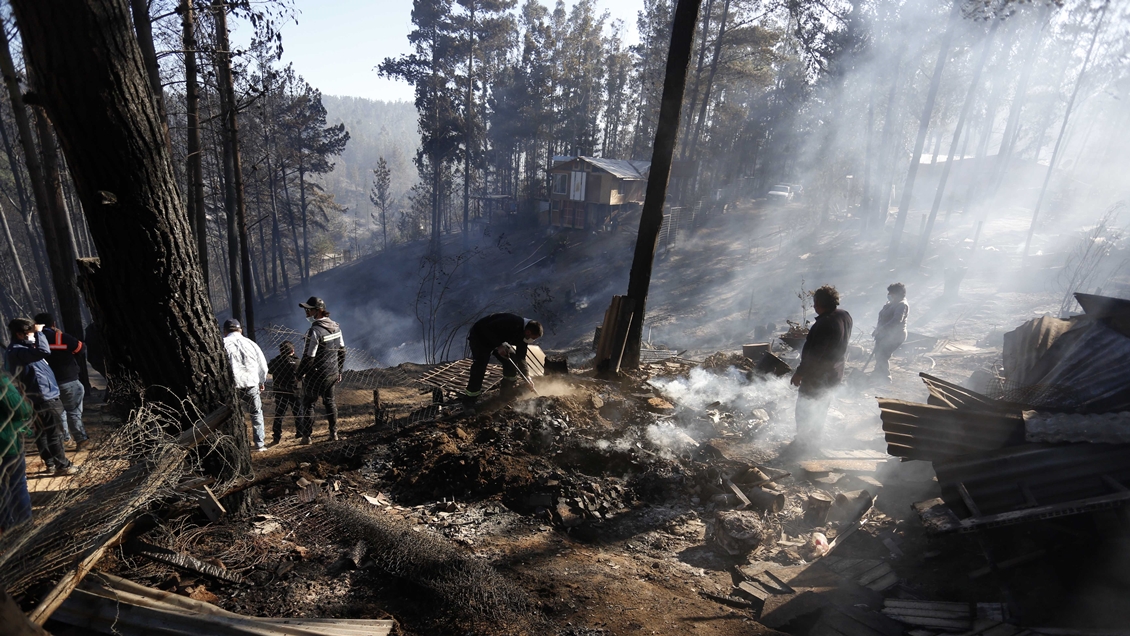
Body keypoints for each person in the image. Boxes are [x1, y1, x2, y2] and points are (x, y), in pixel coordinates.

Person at [6, 318, 76, 475]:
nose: (33, 335)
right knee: (54, 432)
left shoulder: (21, 348)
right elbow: (44, 351)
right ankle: (63, 465)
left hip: (39, 395)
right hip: (44, 396)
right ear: (19, 334)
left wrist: (35, 335)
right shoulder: (19, 351)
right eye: (29, 332)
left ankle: (51, 463)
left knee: (43, 432)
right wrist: (38, 333)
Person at [790, 286, 853, 445]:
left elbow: (814, 356)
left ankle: (802, 441)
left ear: (818, 302)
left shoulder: (824, 324)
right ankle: (814, 439)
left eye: (814, 302)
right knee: (821, 406)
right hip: (835, 373)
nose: (813, 305)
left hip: (818, 376)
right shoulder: (844, 315)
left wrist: (799, 373)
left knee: (805, 407)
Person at [462, 313, 543, 408]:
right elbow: (486, 329)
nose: (532, 340)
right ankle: (470, 400)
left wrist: (527, 376)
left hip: (498, 341)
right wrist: (499, 345)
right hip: (480, 337)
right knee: (480, 366)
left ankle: (506, 393)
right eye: (533, 338)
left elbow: (521, 357)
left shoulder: (524, 336)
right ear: (528, 332)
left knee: (511, 360)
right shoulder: (512, 322)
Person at [33, 313, 88, 450]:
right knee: (73, 412)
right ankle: (80, 439)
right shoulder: (61, 337)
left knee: (59, 414)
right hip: (69, 381)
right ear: (53, 324)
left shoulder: (33, 341)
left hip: (47, 385)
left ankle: (65, 439)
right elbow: (81, 348)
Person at [297, 297, 345, 444]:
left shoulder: (314, 331)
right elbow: (342, 351)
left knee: (308, 403)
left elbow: (309, 357)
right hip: (331, 373)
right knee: (330, 402)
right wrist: (339, 370)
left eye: (309, 309)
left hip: (316, 374)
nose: (306, 312)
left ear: (318, 311)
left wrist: (299, 374)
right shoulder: (336, 327)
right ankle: (333, 433)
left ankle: (307, 436)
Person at [221, 319, 269, 452]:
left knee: (233, 414)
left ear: (225, 331)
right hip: (251, 383)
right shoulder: (251, 344)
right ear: (240, 330)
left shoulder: (223, 343)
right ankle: (259, 444)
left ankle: (235, 444)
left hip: (232, 385)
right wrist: (261, 381)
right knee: (256, 413)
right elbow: (263, 366)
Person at [0, 371, 34, 532]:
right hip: (5, 445)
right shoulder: (1, 384)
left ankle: (5, 526)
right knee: (16, 485)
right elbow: (21, 410)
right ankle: (23, 527)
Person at [872, 283, 909, 383]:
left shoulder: (902, 305)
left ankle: (885, 377)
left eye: (891, 293)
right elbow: (882, 318)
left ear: (897, 294)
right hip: (885, 334)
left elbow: (896, 321)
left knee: (883, 355)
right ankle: (877, 373)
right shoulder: (890, 303)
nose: (889, 295)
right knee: (878, 353)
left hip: (895, 336)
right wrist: (878, 330)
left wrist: (882, 329)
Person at [267, 341, 300, 445]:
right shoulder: (297, 362)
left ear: (280, 351)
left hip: (280, 391)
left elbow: (269, 370)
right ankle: (300, 433)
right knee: (298, 412)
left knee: (279, 414)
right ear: (292, 350)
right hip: (294, 391)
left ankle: (276, 436)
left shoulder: (275, 361)